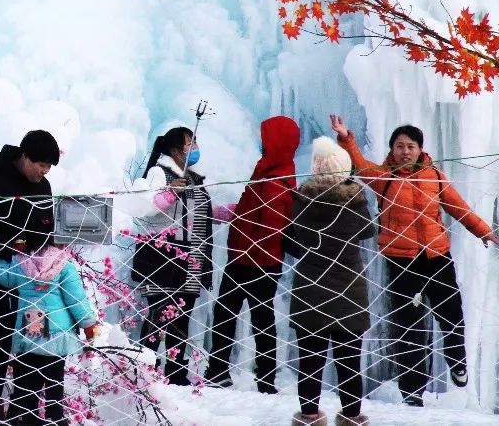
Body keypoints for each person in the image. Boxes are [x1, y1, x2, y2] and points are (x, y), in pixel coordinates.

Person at [330, 114, 496, 406]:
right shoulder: (384, 178)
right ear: (392, 150)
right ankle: (411, 392)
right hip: (401, 261)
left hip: (436, 255)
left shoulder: (434, 176)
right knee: (409, 326)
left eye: (411, 146)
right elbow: (357, 162)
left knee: (451, 313)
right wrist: (346, 138)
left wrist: (483, 231)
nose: (405, 151)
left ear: (421, 149)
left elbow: (459, 208)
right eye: (399, 146)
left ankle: (456, 361)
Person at [0, 130, 59, 425]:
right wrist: (8, 244)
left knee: (34, 342)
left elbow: (47, 224)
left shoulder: (44, 185)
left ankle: (23, 410)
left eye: (48, 167)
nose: (43, 172)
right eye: (39, 164)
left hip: (34, 281)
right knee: (0, 342)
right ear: (24, 156)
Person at [282, 137, 377, 426]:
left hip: (310, 291)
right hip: (350, 292)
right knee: (349, 363)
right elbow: (369, 230)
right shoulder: (355, 203)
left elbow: (290, 242)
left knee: (310, 363)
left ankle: (309, 416)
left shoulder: (302, 202)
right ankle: (351, 418)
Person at [205, 116, 298, 393]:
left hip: (255, 261)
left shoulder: (274, 180)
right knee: (253, 317)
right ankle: (252, 374)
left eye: (266, 138)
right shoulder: (268, 172)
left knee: (246, 317)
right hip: (250, 258)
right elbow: (252, 212)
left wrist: (243, 246)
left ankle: (257, 376)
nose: (262, 143)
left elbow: (270, 225)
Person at [118, 126, 213, 386]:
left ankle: (175, 370)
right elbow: (146, 208)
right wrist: (171, 193)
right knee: (159, 313)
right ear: (174, 149)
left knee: (183, 314)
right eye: (189, 143)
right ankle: (146, 367)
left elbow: (199, 214)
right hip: (161, 255)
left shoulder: (194, 178)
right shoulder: (159, 173)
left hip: (191, 256)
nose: (194, 147)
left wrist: (232, 212)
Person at [0, 235, 100, 426]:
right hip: (56, 335)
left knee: (27, 378)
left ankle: (26, 416)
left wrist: (1, 258)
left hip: (30, 332)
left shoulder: (21, 263)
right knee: (53, 379)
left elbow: (4, 278)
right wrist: (88, 324)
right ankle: (54, 415)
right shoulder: (64, 266)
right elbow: (76, 300)